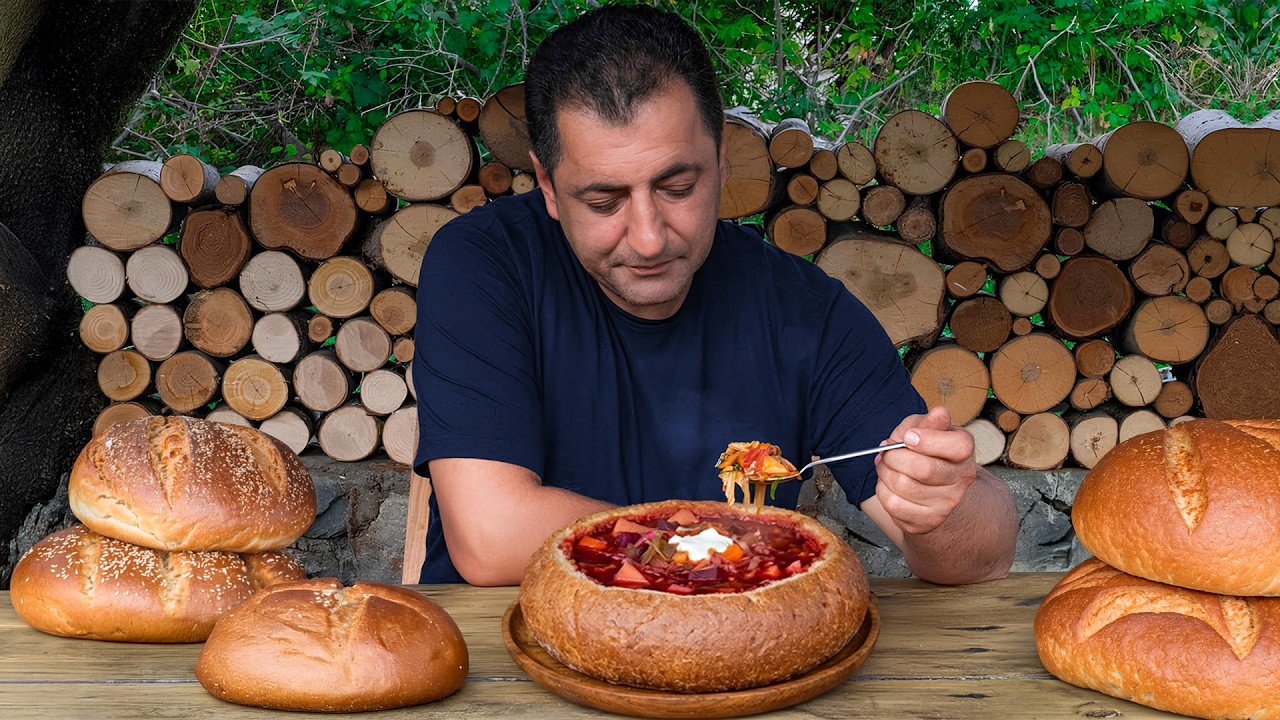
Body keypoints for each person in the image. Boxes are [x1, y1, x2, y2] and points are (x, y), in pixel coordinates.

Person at [413, 4, 1017, 587]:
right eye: (604, 201)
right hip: (507, 647)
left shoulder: (804, 312)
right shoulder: (483, 264)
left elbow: (982, 557)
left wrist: (942, 500)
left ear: (723, 160)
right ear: (547, 185)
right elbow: (491, 538)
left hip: (733, 650)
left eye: (677, 187)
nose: (648, 238)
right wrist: (717, 544)